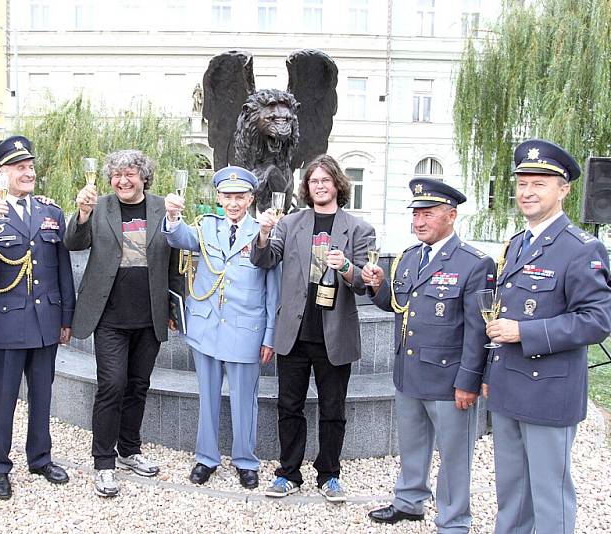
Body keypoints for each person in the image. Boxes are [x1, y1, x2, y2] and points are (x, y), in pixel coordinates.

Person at [483, 139, 611, 534]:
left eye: (539, 183)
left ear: (564, 189)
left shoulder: (580, 248)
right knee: (511, 492)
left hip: (549, 391)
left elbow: (596, 320)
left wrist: (524, 332)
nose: (527, 191)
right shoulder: (519, 243)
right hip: (509, 387)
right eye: (522, 183)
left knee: (549, 495)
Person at [361, 178, 495, 532]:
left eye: (428, 213)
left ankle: (453, 520)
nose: (419, 221)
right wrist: (377, 287)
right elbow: (400, 305)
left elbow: (478, 329)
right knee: (412, 445)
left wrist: (468, 381)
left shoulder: (474, 264)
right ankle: (409, 501)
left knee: (454, 456)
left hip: (450, 381)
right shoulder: (408, 258)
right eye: (416, 214)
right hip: (410, 373)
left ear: (451, 215)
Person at [251, 154, 374, 502]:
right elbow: (264, 260)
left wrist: (347, 266)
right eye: (313, 182)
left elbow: (364, 282)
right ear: (307, 188)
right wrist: (262, 235)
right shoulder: (290, 224)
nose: (319, 186)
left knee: (333, 409)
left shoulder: (359, 228)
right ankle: (288, 473)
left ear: (337, 184)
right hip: (294, 333)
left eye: (325, 180)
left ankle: (329, 474)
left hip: (334, 335)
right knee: (289, 406)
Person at [64, 149, 183, 498]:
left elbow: (175, 259)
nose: (123, 180)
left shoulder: (163, 207)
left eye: (130, 174)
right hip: (109, 316)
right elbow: (74, 243)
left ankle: (129, 450)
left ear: (144, 177)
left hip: (149, 316)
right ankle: (103, 462)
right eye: (116, 175)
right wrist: (82, 214)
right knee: (112, 385)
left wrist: (175, 308)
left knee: (138, 385)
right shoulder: (98, 206)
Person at [0, 135, 75, 500]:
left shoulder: (51, 213)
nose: (28, 173)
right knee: (4, 398)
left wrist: (66, 318)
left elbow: (62, 270)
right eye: (19, 168)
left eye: (30, 167)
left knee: (43, 395)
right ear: (1, 174)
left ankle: (40, 458)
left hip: (46, 322)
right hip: (6, 323)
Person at [162, 166, 280, 489]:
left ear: (251, 198)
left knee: (245, 400)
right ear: (218, 198)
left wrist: (269, 335)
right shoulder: (207, 227)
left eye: (240, 196)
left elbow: (273, 290)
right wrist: (172, 217)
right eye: (227, 196)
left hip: (245, 330)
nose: (233, 202)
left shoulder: (263, 232)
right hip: (207, 328)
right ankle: (206, 457)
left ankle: (245, 460)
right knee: (208, 396)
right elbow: (179, 237)